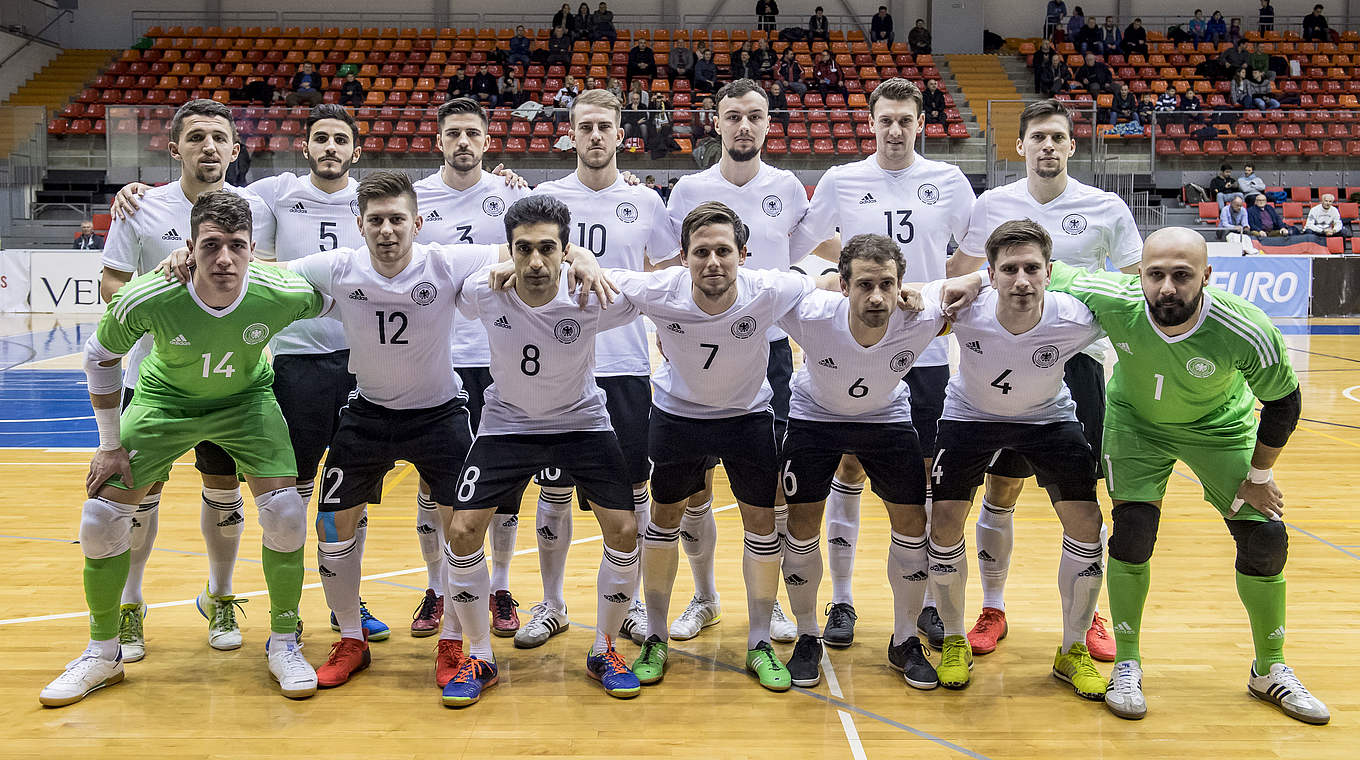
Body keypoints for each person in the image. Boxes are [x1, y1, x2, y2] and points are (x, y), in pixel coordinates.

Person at [962, 226, 1327, 726]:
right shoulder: (1117, 297)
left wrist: (1260, 474)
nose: (1167, 288)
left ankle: (1270, 669)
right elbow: (1030, 272)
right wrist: (963, 285)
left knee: (1266, 539)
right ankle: (1128, 662)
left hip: (1219, 429)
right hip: (1136, 428)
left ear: (1207, 276)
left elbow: (1284, 403)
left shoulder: (1246, 328)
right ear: (1140, 275)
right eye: (1155, 275)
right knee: (1132, 535)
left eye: (1182, 276)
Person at [269, 171, 606, 692]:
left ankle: (454, 639)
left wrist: (583, 256)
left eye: (397, 219)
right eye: (376, 220)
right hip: (368, 413)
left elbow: (532, 247)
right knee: (332, 526)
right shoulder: (337, 267)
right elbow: (265, 273)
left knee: (461, 529)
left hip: (440, 413)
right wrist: (184, 261)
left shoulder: (446, 261)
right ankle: (351, 639)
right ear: (359, 225)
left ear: (417, 223)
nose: (387, 230)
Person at [39, 190, 324, 707]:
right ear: (189, 247)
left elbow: (336, 291)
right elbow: (99, 357)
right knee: (101, 518)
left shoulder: (279, 290)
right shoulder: (150, 294)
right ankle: (102, 654)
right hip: (163, 401)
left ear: (254, 248)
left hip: (246, 400)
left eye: (237, 245)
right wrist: (108, 445)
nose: (224, 258)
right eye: (210, 244)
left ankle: (284, 639)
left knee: (285, 512)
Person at [611, 202, 859, 691]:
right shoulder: (658, 289)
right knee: (663, 521)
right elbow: (596, 275)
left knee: (763, 525)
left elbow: (829, 284)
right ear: (682, 257)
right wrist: (575, 256)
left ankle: (760, 641)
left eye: (724, 250)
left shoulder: (769, 288)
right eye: (701, 252)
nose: (713, 262)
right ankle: (656, 637)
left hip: (746, 418)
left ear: (744, 254)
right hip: (678, 417)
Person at [949, 99, 1143, 662]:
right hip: (1003, 364)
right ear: (1021, 146)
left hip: (1078, 366)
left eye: (1058, 137)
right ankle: (992, 605)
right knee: (1001, 487)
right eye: (1038, 137)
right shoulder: (991, 204)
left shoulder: (1105, 207)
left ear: (1072, 146)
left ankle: (1089, 612)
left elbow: (1132, 288)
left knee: (1082, 498)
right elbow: (962, 276)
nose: (1048, 146)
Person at [796, 78, 978, 650]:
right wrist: (848, 278)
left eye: (905, 120)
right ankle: (843, 599)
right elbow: (807, 237)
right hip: (860, 336)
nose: (895, 129)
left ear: (920, 123)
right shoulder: (843, 179)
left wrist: (931, 290)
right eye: (885, 120)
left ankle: (924, 603)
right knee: (848, 468)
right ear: (870, 124)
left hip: (922, 345)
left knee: (919, 476)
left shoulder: (948, 181)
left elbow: (973, 250)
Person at [443, 194, 646, 704]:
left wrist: (587, 261)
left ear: (565, 249)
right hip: (506, 424)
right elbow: (451, 283)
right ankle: (481, 655)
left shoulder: (593, 295)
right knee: (464, 529)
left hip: (581, 423)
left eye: (548, 249)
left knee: (624, 529)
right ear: (508, 251)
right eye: (523, 249)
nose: (535, 262)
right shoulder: (484, 291)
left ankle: (604, 647)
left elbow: (653, 288)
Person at [100, 99, 274, 662]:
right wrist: (166, 284)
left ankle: (221, 596)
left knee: (223, 493)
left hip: (229, 381)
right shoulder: (142, 207)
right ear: (174, 148)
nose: (209, 147)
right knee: (135, 499)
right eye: (196, 137)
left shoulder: (254, 207)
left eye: (220, 137)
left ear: (235, 148)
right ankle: (129, 604)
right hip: (156, 381)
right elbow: (110, 285)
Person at [663, 79, 828, 648]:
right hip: (697, 349)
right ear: (717, 122)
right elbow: (667, 261)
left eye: (754, 116)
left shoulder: (787, 187)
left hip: (769, 352)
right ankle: (705, 597)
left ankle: (771, 603)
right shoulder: (688, 189)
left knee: (769, 490)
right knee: (694, 486)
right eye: (733, 116)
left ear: (767, 123)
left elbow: (808, 252)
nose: (744, 126)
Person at [520, 90, 678, 650]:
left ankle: (630, 603)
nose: (594, 136)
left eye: (604, 128)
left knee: (632, 489)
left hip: (625, 363)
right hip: (559, 363)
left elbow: (661, 271)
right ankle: (553, 603)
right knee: (554, 487)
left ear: (620, 134)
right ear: (570, 132)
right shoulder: (544, 198)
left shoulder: (648, 202)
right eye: (584, 126)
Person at [925, 220, 1107, 696]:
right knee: (943, 520)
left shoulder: (1075, 317)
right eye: (1008, 269)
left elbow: (1134, 306)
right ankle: (951, 639)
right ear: (991, 272)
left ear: (1050, 271)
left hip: (1047, 418)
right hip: (970, 415)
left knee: (1088, 524)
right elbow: (904, 294)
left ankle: (1072, 650)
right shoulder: (964, 308)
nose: (1021, 280)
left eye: (1031, 268)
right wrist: (963, 281)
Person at [777, 233, 951, 689]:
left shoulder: (922, 315)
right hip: (815, 416)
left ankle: (902, 639)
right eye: (864, 285)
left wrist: (938, 293)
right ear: (844, 285)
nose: (877, 296)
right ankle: (808, 634)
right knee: (800, 525)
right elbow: (760, 284)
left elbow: (978, 288)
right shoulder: (811, 313)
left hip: (886, 416)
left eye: (887, 284)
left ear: (902, 285)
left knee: (914, 524)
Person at [414, 98, 534, 639]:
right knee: (433, 482)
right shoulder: (415, 198)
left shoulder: (511, 194)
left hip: (498, 353)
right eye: (453, 133)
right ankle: (437, 588)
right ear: (438, 140)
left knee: (503, 482)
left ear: (488, 142)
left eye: (473, 134)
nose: (463, 142)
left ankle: (501, 585)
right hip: (434, 354)